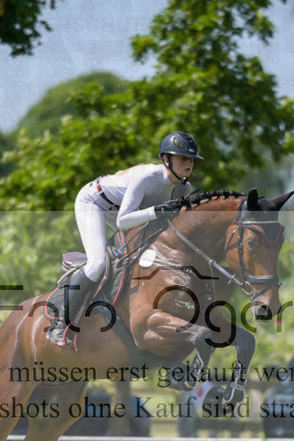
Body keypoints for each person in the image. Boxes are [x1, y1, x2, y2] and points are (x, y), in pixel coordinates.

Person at [46, 131, 204, 346]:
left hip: (127, 209)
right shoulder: (147, 177)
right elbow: (123, 221)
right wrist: (157, 211)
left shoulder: (184, 188)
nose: (189, 164)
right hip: (95, 202)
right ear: (166, 159)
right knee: (97, 264)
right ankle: (59, 324)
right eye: (183, 158)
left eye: (192, 159)